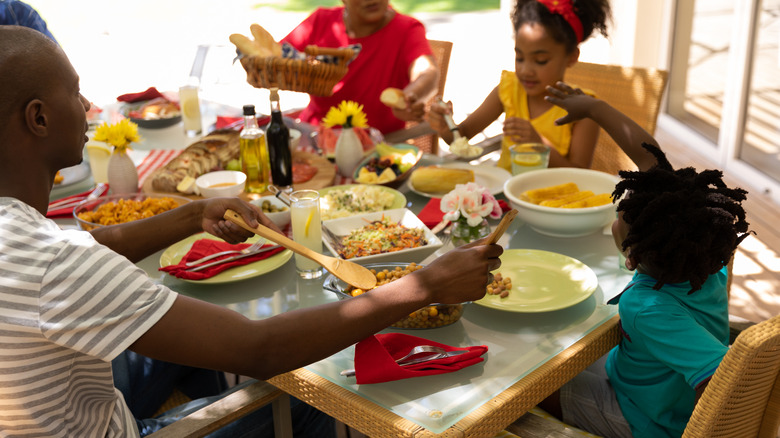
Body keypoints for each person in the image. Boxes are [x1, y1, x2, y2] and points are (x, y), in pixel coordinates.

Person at [0, 26, 503, 437]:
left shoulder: (29, 238)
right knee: (318, 396)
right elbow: (261, 350)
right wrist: (424, 287)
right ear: (38, 118)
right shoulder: (54, 265)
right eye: (74, 90)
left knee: (193, 349)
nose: (88, 105)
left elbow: (98, 243)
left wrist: (191, 216)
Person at [527, 82, 753, 438]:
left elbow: (719, 376)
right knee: (559, 359)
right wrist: (593, 107)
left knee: (533, 383)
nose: (617, 214)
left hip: (647, 419)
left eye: (621, 215)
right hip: (645, 379)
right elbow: (651, 157)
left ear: (630, 258)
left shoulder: (643, 306)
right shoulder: (704, 262)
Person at [428, 0, 610, 172]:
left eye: (540, 61)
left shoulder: (584, 110)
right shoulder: (509, 89)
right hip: (505, 201)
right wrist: (447, 128)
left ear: (571, 57)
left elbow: (579, 176)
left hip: (556, 203)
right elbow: (462, 136)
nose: (525, 71)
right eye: (519, 58)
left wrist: (539, 146)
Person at [280, 0, 439, 135]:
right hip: (314, 137)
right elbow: (273, 57)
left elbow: (427, 72)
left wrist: (411, 96)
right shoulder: (320, 21)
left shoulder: (406, 29)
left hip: (375, 150)